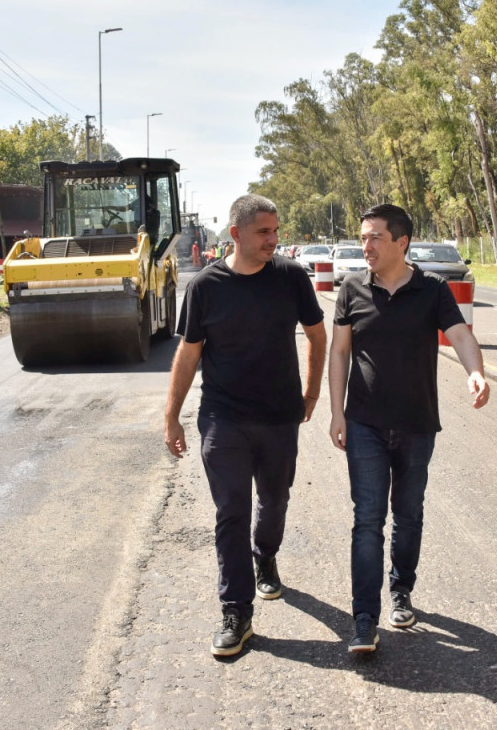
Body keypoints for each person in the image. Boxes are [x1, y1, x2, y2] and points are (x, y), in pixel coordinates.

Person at [164, 194, 327, 657]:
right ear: (235, 234)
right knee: (230, 511)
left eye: (276, 231)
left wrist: (311, 394)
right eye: (264, 232)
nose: (274, 240)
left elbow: (317, 334)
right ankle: (236, 611)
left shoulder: (292, 278)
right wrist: (172, 415)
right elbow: (189, 353)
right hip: (223, 417)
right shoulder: (206, 286)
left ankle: (266, 556)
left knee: (274, 501)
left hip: (279, 416)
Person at [328, 203, 490, 653]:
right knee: (367, 519)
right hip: (365, 423)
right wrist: (336, 411)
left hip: (418, 424)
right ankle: (364, 618)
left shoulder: (433, 290)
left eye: (374, 237)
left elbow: (459, 335)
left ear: (401, 243)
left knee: (409, 513)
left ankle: (401, 591)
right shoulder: (352, 288)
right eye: (363, 237)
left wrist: (475, 371)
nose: (366, 246)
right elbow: (340, 352)